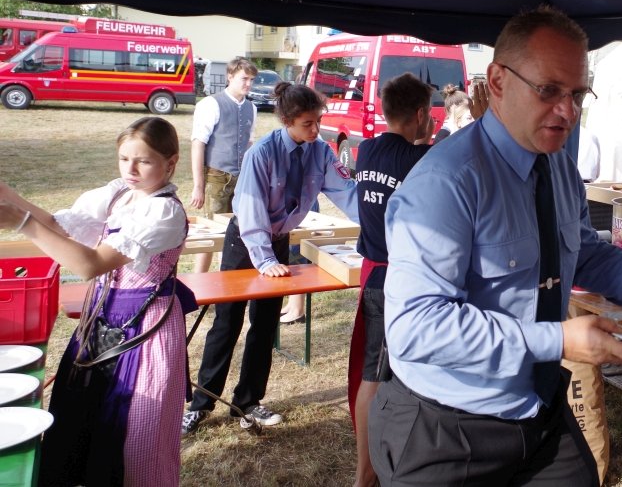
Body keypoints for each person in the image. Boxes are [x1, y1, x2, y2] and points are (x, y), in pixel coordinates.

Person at [370, 6, 622, 486]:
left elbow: (582, 251)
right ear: (497, 81)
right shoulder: (445, 182)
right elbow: (416, 327)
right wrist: (558, 339)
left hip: (537, 410)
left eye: (578, 93)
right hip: (447, 427)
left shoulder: (556, 164)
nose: (568, 111)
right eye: (549, 90)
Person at [0, 117, 193, 486]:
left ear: (171, 162)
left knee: (136, 434)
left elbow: (89, 265)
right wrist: (8, 194)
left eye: (144, 161)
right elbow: (58, 227)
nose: (131, 169)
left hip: (144, 328)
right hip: (101, 320)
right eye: (124, 159)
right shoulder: (119, 193)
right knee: (78, 416)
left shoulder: (163, 211)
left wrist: (21, 222)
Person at [182, 81, 359, 435]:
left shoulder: (320, 152)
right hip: (245, 242)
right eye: (308, 123)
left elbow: (346, 192)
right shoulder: (261, 153)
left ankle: (248, 402)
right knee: (226, 322)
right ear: (287, 120)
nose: (315, 129)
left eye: (317, 121)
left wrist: (375, 222)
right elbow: (249, 210)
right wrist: (262, 260)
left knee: (264, 325)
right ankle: (201, 404)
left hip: (278, 241)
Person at [348, 72, 435, 487]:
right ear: (420, 114)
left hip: (373, 274)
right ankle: (365, 474)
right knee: (376, 376)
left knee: (378, 372)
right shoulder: (420, 159)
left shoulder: (365, 150)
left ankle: (374, 466)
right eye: (429, 114)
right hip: (393, 279)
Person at [189, 56, 258, 273]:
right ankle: (199, 283)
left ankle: (226, 280)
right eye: (244, 78)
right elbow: (198, 144)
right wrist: (198, 186)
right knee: (212, 233)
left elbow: (249, 143)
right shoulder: (210, 104)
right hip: (216, 176)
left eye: (251, 80)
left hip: (241, 179)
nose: (248, 84)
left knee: (237, 232)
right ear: (230, 76)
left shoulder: (251, 108)